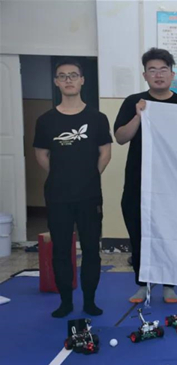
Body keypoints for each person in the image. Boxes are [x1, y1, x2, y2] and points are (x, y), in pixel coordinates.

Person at [114, 48, 177, 303]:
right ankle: (143, 284)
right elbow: (120, 137)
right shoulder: (134, 101)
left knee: (170, 233)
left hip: (172, 183)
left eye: (163, 70)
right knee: (139, 233)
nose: (158, 75)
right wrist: (139, 116)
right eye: (152, 70)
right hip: (138, 180)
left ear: (172, 74)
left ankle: (169, 285)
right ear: (145, 75)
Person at [34, 58, 112, 317]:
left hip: (89, 195)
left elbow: (105, 153)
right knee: (60, 250)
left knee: (91, 249)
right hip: (57, 195)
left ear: (82, 80)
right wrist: (62, 175)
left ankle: (89, 301)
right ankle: (65, 302)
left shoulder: (97, 118)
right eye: (62, 76)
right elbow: (41, 155)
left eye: (73, 75)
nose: (68, 80)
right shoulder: (46, 120)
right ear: (56, 82)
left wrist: (87, 176)